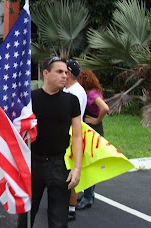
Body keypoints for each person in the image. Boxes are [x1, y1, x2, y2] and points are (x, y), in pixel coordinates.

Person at [17, 57, 83, 228]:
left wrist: (77, 168)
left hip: (59, 165)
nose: (65, 76)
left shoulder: (71, 101)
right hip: (33, 163)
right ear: (46, 73)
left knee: (59, 219)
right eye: (59, 72)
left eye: (66, 72)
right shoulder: (30, 99)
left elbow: (77, 136)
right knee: (26, 216)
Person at [76, 68, 109, 210]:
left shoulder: (91, 94)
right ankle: (89, 194)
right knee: (87, 162)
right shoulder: (93, 91)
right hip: (91, 129)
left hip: (93, 130)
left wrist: (95, 121)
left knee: (88, 164)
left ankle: (88, 197)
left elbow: (105, 108)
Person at [63, 59, 87, 221]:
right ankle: (68, 206)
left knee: (71, 171)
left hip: (72, 135)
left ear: (69, 73)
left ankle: (71, 208)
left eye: (64, 71)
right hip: (71, 133)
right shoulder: (73, 90)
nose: (62, 74)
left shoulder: (75, 92)